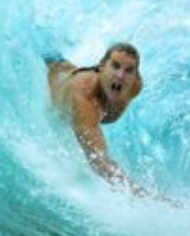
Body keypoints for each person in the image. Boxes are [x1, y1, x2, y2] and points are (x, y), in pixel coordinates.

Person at [44, 43, 150, 197]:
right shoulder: (84, 99)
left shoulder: (135, 86)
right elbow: (99, 162)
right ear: (101, 66)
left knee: (68, 67)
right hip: (60, 88)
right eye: (115, 66)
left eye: (128, 71)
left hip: (80, 74)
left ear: (135, 75)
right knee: (56, 65)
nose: (120, 76)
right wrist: (145, 197)